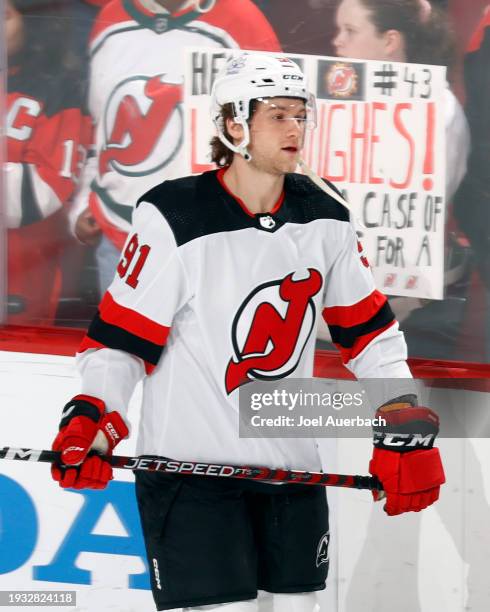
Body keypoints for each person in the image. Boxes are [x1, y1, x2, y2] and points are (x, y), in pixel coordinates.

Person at [50, 53, 445, 612]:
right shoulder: (174, 216)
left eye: (300, 115)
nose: (294, 128)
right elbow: (120, 340)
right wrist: (94, 415)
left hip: (293, 468)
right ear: (235, 124)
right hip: (191, 474)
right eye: (277, 115)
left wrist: (401, 418)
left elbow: (370, 336)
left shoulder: (326, 212)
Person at [70, 0, 282, 296]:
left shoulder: (243, 20)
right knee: (123, 343)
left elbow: (277, 130)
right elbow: (100, 128)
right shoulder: (111, 18)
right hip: (121, 236)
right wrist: (85, 203)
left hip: (209, 243)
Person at [329, 0, 472, 359]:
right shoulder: (330, 105)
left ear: (389, 41)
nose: (337, 42)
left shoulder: (439, 108)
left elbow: (431, 197)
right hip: (331, 307)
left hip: (406, 314)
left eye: (350, 31)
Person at [5, 0, 91, 326]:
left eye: (4, 17)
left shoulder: (60, 90)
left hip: (21, 283)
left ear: (33, 22)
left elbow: (41, 191)